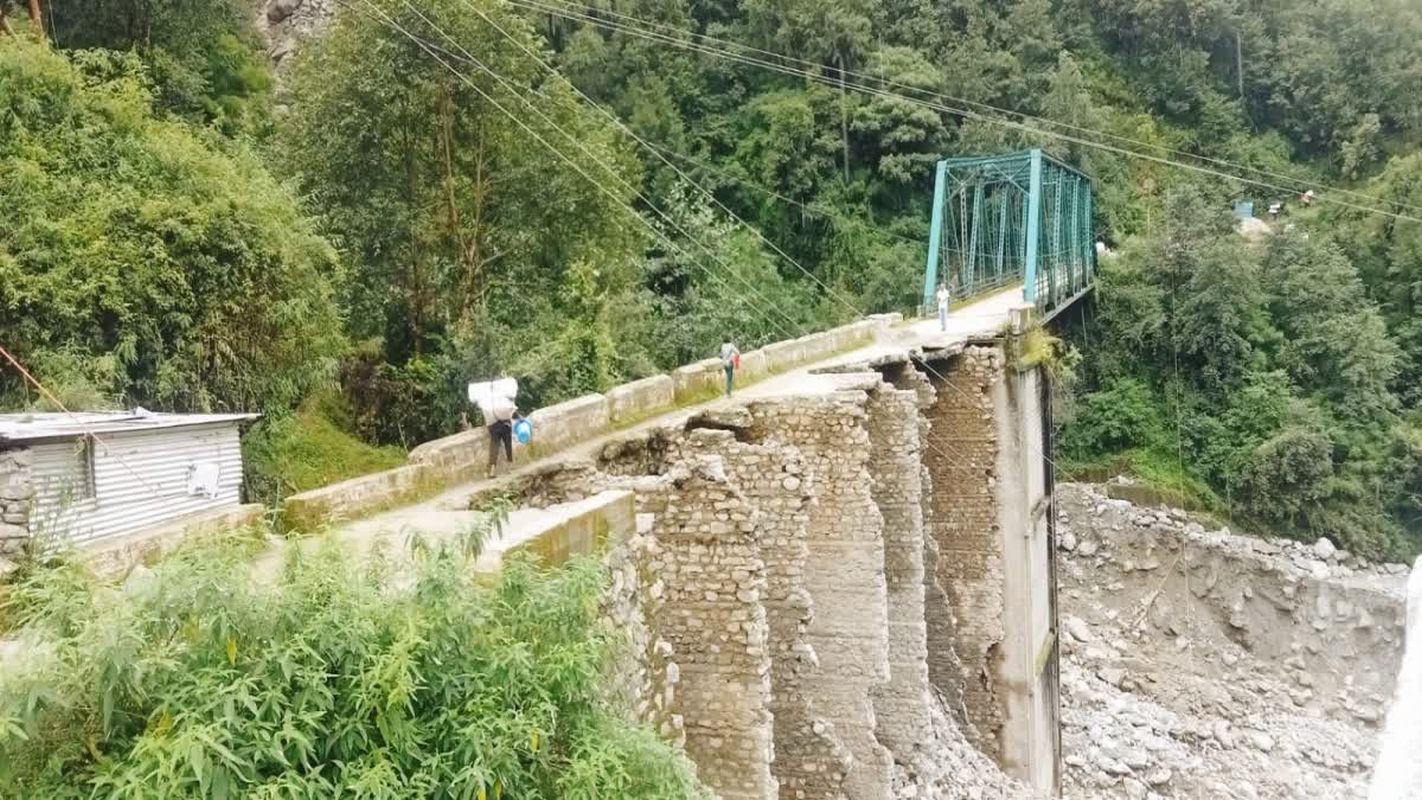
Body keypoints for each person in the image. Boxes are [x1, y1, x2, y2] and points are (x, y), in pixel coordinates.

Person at [472, 376, 518, 478]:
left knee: (494, 446)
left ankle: (492, 469)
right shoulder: (504, 393)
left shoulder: (486, 395)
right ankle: (510, 466)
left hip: (492, 425)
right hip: (505, 423)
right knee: (507, 443)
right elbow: (511, 408)